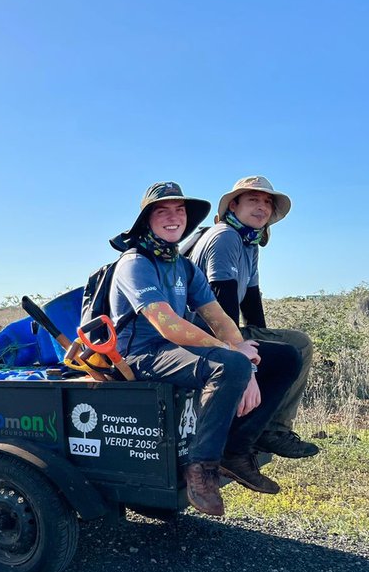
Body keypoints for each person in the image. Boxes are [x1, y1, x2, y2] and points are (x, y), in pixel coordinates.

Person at [92, 181, 302, 516]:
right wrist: (234, 355)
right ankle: (200, 467)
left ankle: (237, 447)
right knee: (229, 365)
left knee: (286, 356)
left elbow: (218, 316)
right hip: (143, 353)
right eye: (163, 211)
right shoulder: (135, 262)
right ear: (147, 219)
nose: (173, 217)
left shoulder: (184, 266)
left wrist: (240, 346)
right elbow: (166, 324)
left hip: (176, 348)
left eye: (179, 211)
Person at [188, 176, 318, 458]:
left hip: (221, 327)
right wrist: (244, 359)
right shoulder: (225, 237)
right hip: (207, 332)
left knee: (290, 345)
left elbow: (251, 301)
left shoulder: (249, 241)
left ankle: (269, 427)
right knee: (300, 345)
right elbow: (222, 302)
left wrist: (261, 343)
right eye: (253, 200)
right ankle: (271, 430)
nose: (262, 207)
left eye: (267, 202)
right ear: (233, 205)